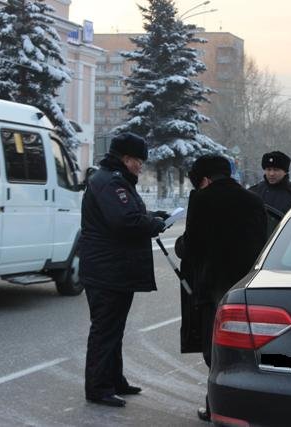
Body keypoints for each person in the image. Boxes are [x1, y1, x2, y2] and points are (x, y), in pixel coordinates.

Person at [175, 154, 268, 422]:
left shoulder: (202, 200)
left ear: (205, 179)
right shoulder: (253, 200)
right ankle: (249, 404)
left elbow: (192, 247)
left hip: (212, 286)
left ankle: (215, 405)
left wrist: (180, 246)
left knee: (215, 350)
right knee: (245, 350)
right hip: (245, 286)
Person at [79, 133, 167, 408]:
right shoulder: (111, 182)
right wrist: (153, 225)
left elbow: (128, 214)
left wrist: (153, 217)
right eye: (138, 161)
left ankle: (114, 380)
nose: (140, 166)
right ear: (126, 158)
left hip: (112, 269)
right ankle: (98, 388)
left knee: (113, 330)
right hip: (107, 271)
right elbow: (125, 221)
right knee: (105, 331)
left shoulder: (114, 180)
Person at [249, 150, 291, 215]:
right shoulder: (255, 192)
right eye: (268, 169)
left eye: (276, 170)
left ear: (285, 172)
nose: (271, 174)